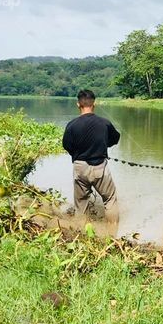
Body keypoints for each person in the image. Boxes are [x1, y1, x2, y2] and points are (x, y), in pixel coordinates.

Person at [62, 89, 121, 223]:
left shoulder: (71, 125)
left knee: (81, 203)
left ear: (78, 104)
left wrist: (77, 154)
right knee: (110, 199)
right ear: (94, 104)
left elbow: (66, 145)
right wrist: (102, 145)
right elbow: (115, 139)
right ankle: (112, 232)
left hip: (80, 167)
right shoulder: (104, 123)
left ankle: (79, 233)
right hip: (100, 167)